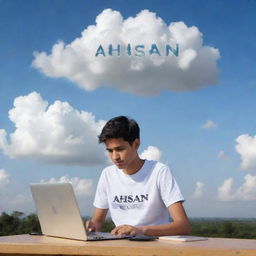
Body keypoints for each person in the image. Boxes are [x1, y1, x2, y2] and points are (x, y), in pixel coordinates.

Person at [86, 116, 190, 237]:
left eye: (120, 149)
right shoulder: (107, 175)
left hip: (157, 246)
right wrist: (91, 228)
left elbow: (183, 225)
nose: (115, 157)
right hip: (122, 247)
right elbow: (97, 222)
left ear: (136, 144)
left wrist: (141, 231)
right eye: (110, 150)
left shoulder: (158, 171)